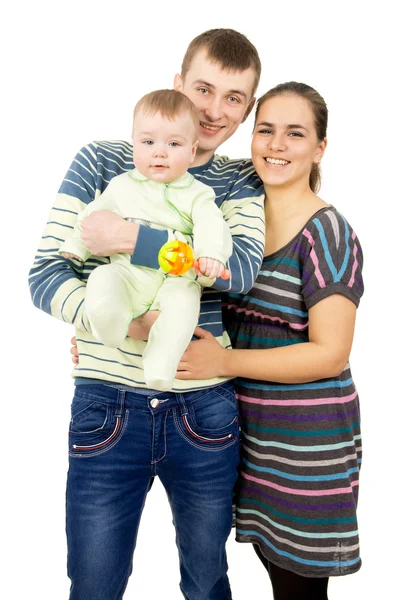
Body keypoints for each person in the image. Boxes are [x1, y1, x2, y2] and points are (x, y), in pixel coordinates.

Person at [29, 29, 265, 600]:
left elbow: (237, 271)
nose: (212, 110)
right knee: (93, 585)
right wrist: (125, 324)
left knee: (207, 582)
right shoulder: (104, 160)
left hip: (203, 408)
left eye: (233, 99)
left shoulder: (239, 180)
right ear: (178, 83)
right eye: (204, 89)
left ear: (247, 110)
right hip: (105, 406)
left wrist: (129, 237)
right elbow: (46, 276)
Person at [175, 82, 364, 600]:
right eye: (266, 130)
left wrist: (225, 361)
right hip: (249, 437)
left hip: (307, 447)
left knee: (298, 591)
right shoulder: (236, 221)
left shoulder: (326, 232)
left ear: (319, 148)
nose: (277, 145)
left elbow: (331, 353)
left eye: (295, 133)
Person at [60, 89, 232, 391]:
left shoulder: (198, 194)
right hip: (129, 273)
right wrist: (77, 246)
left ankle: (160, 366)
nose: (159, 152)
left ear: (192, 151)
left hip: (176, 281)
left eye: (174, 143)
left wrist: (211, 256)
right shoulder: (121, 186)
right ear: (134, 144)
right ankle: (109, 324)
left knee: (183, 309)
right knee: (104, 278)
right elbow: (92, 217)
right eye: (148, 142)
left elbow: (212, 227)